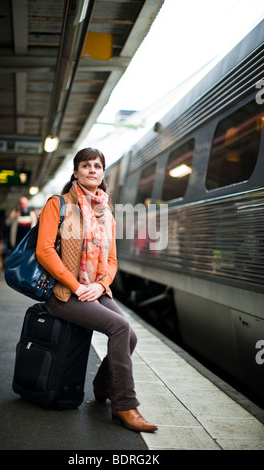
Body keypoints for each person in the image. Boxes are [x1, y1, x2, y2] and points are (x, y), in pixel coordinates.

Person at [36, 148, 158, 433]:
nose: (92, 170)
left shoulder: (106, 213)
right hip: (63, 294)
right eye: (86, 165)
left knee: (130, 334)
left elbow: (113, 260)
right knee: (118, 327)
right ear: (76, 172)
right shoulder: (59, 204)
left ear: (103, 174)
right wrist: (78, 286)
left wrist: (100, 285)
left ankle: (103, 386)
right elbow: (44, 251)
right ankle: (124, 405)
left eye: (97, 166)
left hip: (95, 289)